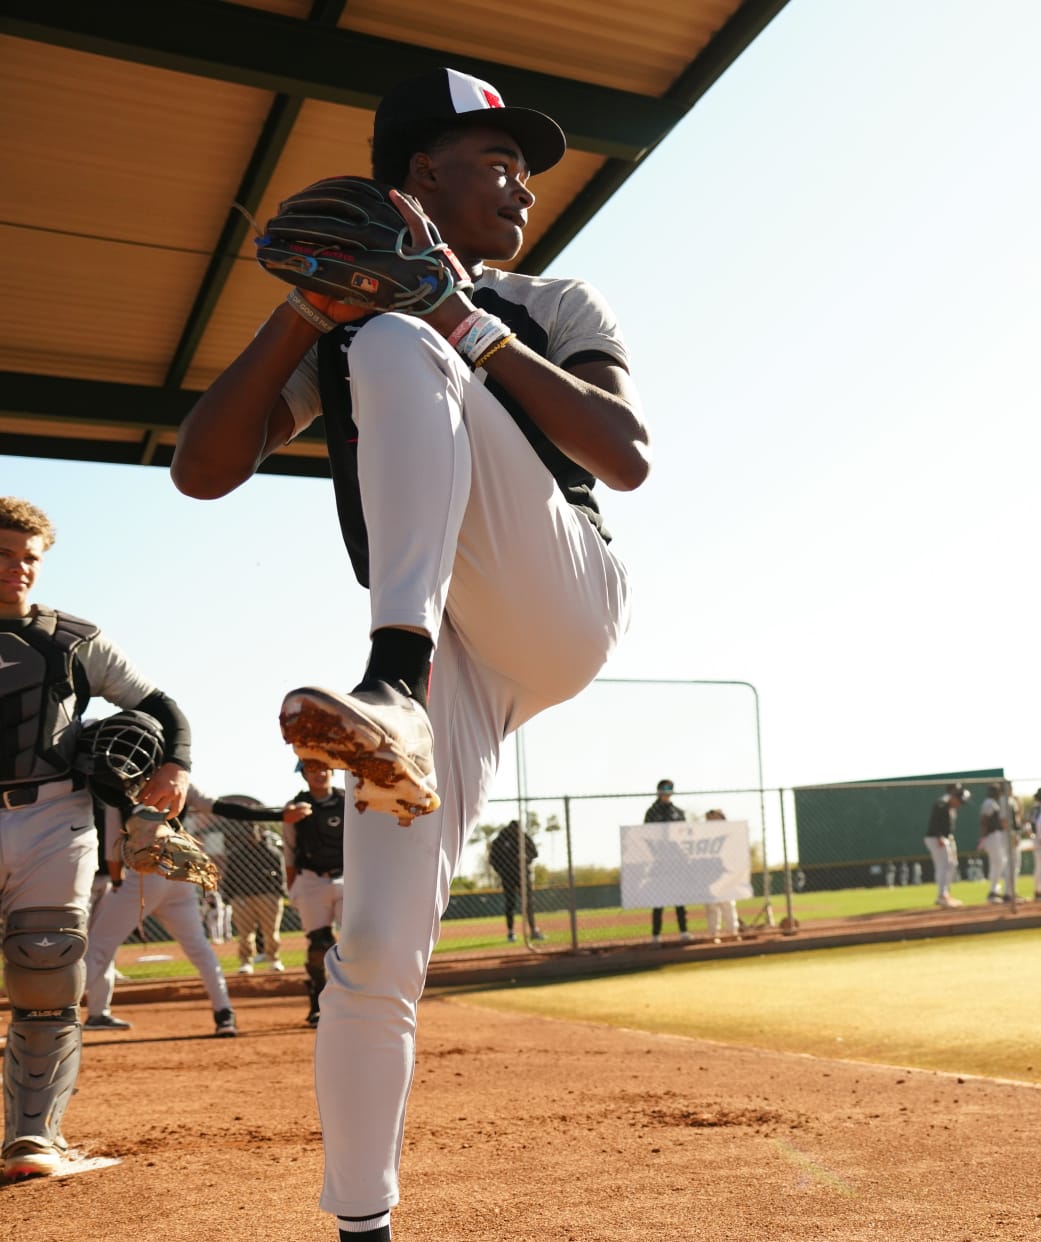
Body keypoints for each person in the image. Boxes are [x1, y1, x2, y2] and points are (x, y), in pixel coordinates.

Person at [171, 68, 646, 1240]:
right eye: (494, 159)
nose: (523, 183)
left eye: (523, 166)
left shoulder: (550, 298)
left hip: (558, 593)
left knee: (401, 334)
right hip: (451, 665)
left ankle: (389, 674)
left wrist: (453, 313)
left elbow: (625, 455)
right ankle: (362, 1225)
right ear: (416, 174)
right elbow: (201, 467)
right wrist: (299, 308)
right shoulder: (346, 326)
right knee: (373, 949)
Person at [0, 498, 196, 1181]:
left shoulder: (75, 640)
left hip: (56, 817)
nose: (17, 569)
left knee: (45, 967)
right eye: (3, 554)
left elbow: (158, 708)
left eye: (29, 558)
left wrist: (176, 766)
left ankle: (32, 1138)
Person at [82, 796, 237, 1038]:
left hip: (144, 878)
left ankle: (54, 1011)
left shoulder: (117, 791)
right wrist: (277, 815)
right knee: (199, 949)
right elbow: (218, 806)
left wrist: (118, 885)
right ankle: (224, 1014)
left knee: (99, 948)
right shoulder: (178, 779)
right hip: (180, 873)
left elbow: (114, 853)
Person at [282, 760, 348, 1027]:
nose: (319, 773)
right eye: (311, 768)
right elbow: (289, 849)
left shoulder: (350, 802)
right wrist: (293, 886)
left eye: (323, 768)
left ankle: (353, 1000)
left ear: (332, 770)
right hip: (311, 880)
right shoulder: (296, 808)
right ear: (303, 774)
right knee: (319, 943)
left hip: (347, 877)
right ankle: (319, 1004)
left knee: (355, 939)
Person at [210, 796, 290, 973]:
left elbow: (281, 874)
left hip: (268, 895)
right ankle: (246, 962)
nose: (251, 834)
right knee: (245, 934)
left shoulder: (271, 851)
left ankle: (274, 959)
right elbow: (229, 876)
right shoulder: (236, 854)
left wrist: (279, 892)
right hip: (242, 897)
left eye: (253, 830)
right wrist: (228, 896)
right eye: (247, 831)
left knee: (271, 932)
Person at [644, 780, 689, 943]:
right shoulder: (652, 812)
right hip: (659, 862)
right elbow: (646, 835)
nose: (666, 791)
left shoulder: (677, 811)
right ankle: (656, 935)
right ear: (657, 791)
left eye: (669, 789)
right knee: (659, 900)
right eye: (663, 789)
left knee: (679, 899)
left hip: (677, 862)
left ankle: (684, 931)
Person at [488, 820, 543, 943]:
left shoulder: (523, 837)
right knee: (510, 904)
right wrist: (502, 871)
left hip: (523, 875)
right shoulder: (500, 840)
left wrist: (526, 857)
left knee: (528, 902)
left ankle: (533, 930)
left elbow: (535, 853)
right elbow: (492, 860)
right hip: (507, 876)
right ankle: (511, 932)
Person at [923, 784, 965, 908]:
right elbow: (935, 821)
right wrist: (939, 836)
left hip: (945, 837)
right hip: (936, 838)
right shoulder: (942, 803)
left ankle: (945, 894)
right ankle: (942, 896)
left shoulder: (949, 805)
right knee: (944, 865)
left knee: (951, 864)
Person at [700, 809, 739, 941]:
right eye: (709, 820)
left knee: (728, 904)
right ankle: (713, 935)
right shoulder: (703, 837)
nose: (712, 822)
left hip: (725, 875)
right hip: (708, 875)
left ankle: (733, 933)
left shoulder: (730, 835)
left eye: (715, 819)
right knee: (711, 907)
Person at [976, 782, 1013, 903]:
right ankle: (993, 892)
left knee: (999, 863)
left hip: (994, 835)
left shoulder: (993, 803)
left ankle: (995, 890)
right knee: (998, 863)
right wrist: (983, 837)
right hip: (992, 836)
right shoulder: (989, 803)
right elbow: (984, 820)